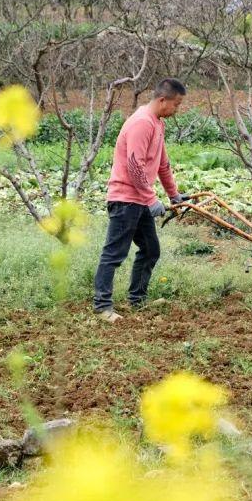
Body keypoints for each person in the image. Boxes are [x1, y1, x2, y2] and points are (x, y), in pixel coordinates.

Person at [93, 78, 187, 322]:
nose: (177, 109)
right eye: (176, 104)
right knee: (114, 254)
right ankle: (102, 307)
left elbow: (162, 163)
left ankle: (137, 300)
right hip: (125, 199)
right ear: (162, 100)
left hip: (140, 199)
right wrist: (151, 198)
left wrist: (173, 194)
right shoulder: (142, 123)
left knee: (150, 249)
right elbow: (135, 166)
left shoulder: (157, 123)